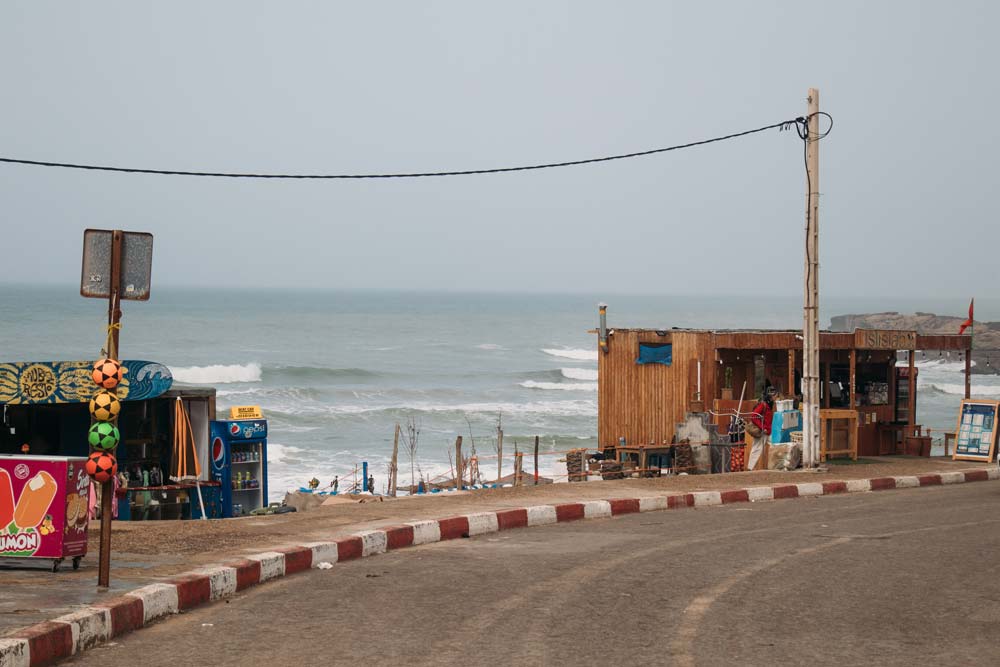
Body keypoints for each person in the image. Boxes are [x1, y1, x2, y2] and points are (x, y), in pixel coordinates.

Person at [747, 386, 777, 471]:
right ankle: (750, 468)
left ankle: (776, 466)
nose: (776, 398)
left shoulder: (769, 404)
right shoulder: (763, 404)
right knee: (756, 449)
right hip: (763, 431)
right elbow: (754, 416)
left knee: (774, 446)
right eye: (775, 396)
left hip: (768, 431)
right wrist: (762, 427)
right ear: (771, 396)